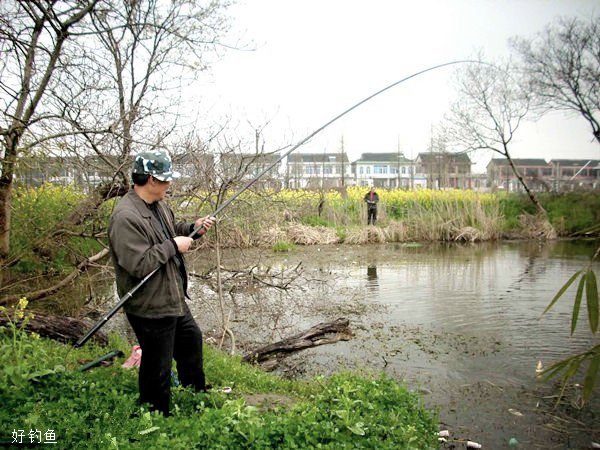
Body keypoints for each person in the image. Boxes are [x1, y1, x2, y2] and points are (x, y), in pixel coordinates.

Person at [108, 149, 216, 416]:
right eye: (166, 179)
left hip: (172, 295)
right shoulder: (125, 217)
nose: (170, 184)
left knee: (191, 341)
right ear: (151, 181)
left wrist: (194, 228)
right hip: (149, 304)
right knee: (158, 363)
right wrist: (173, 246)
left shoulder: (159, 205)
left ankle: (196, 394)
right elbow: (138, 264)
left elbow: (172, 230)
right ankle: (156, 413)